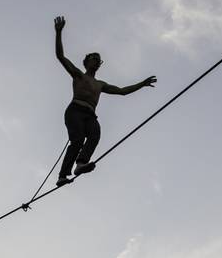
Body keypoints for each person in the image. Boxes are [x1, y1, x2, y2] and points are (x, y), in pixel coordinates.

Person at [52, 15, 156, 185]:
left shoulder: (100, 84)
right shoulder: (78, 75)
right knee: (77, 140)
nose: (96, 61)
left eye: (97, 60)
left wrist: (142, 84)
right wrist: (58, 32)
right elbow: (60, 56)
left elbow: (122, 91)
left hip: (90, 115)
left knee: (95, 134)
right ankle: (62, 176)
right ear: (86, 62)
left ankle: (81, 163)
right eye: (93, 58)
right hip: (75, 111)